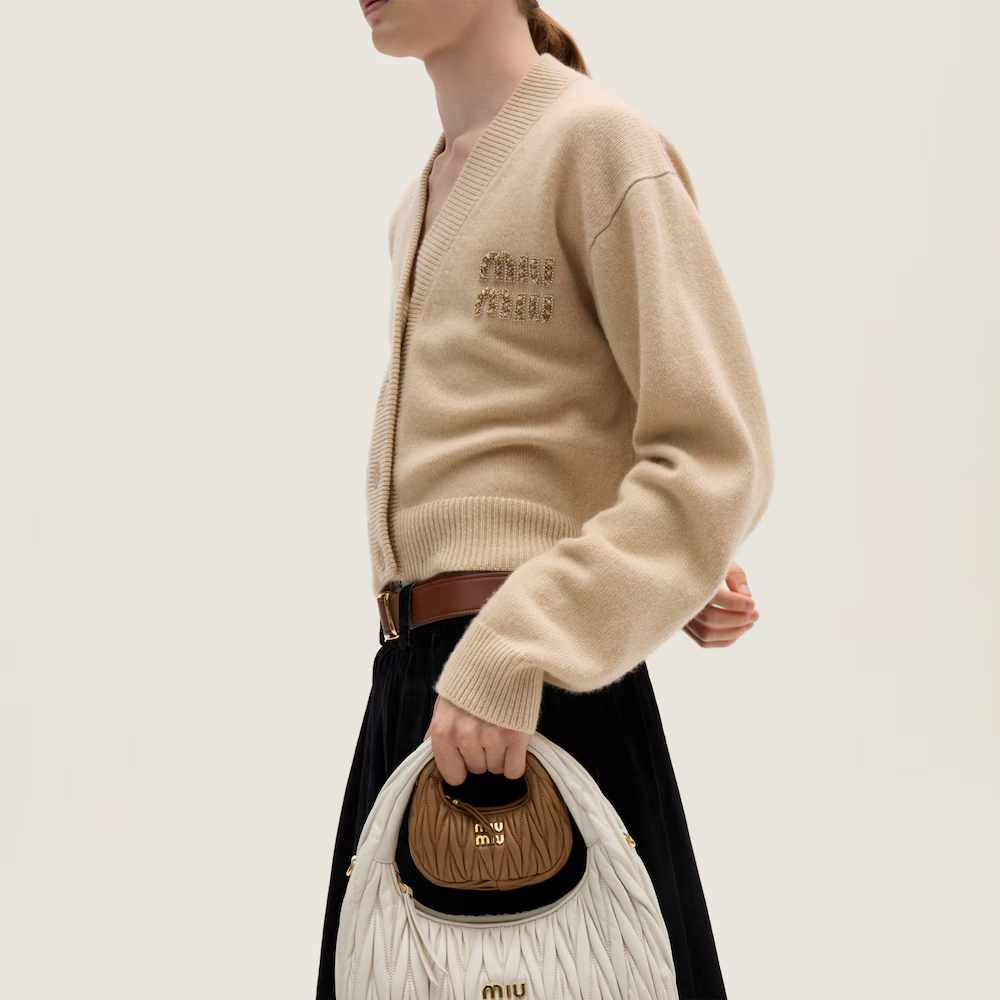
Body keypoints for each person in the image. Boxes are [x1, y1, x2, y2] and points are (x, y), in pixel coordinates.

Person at [316, 1, 775, 997]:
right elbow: (564, 429)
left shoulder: (596, 143)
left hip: (530, 694)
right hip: (421, 686)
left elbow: (714, 452)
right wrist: (647, 575)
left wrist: (528, 638)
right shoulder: (420, 197)